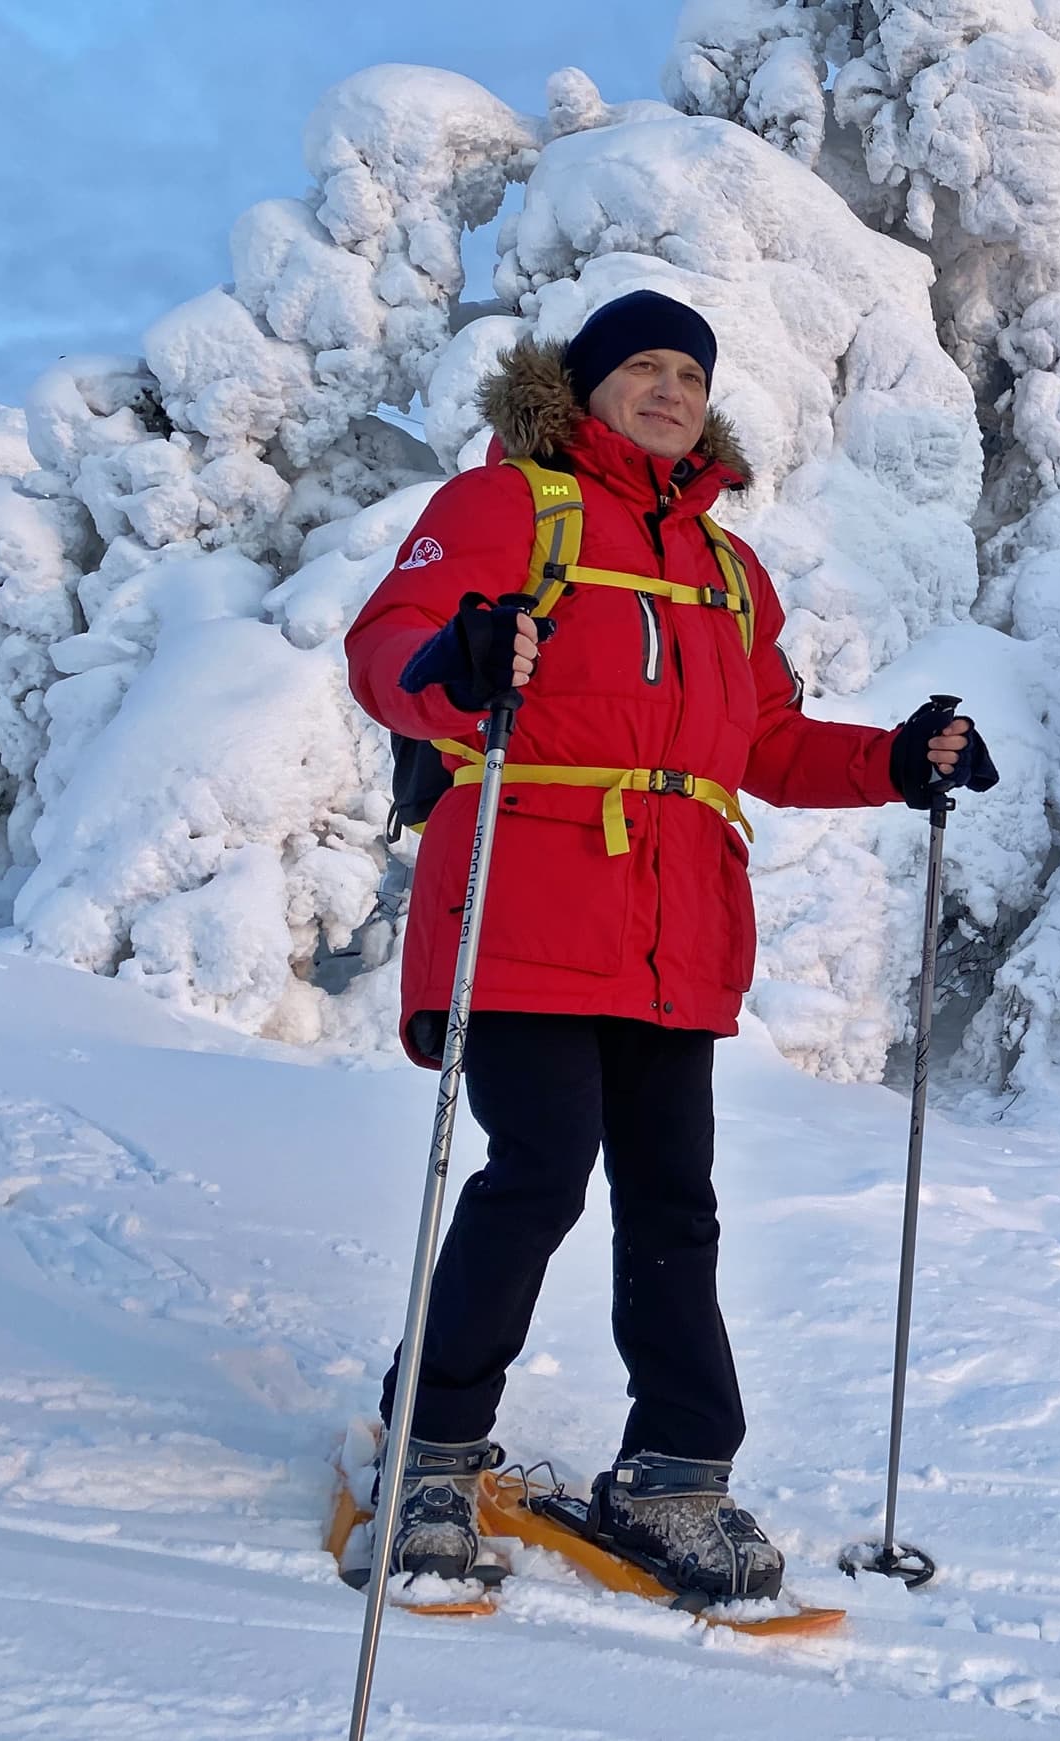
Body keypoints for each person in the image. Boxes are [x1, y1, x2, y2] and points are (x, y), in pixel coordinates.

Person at [344, 288, 997, 1601]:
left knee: (673, 1201)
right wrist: (461, 662)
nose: (667, 391)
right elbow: (387, 648)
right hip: (525, 910)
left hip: (672, 934)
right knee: (540, 1167)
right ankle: (431, 1447)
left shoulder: (725, 569)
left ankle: (678, 1467)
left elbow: (763, 743)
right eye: (640, 366)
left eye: (688, 374)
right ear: (583, 388)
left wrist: (892, 760)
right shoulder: (509, 508)